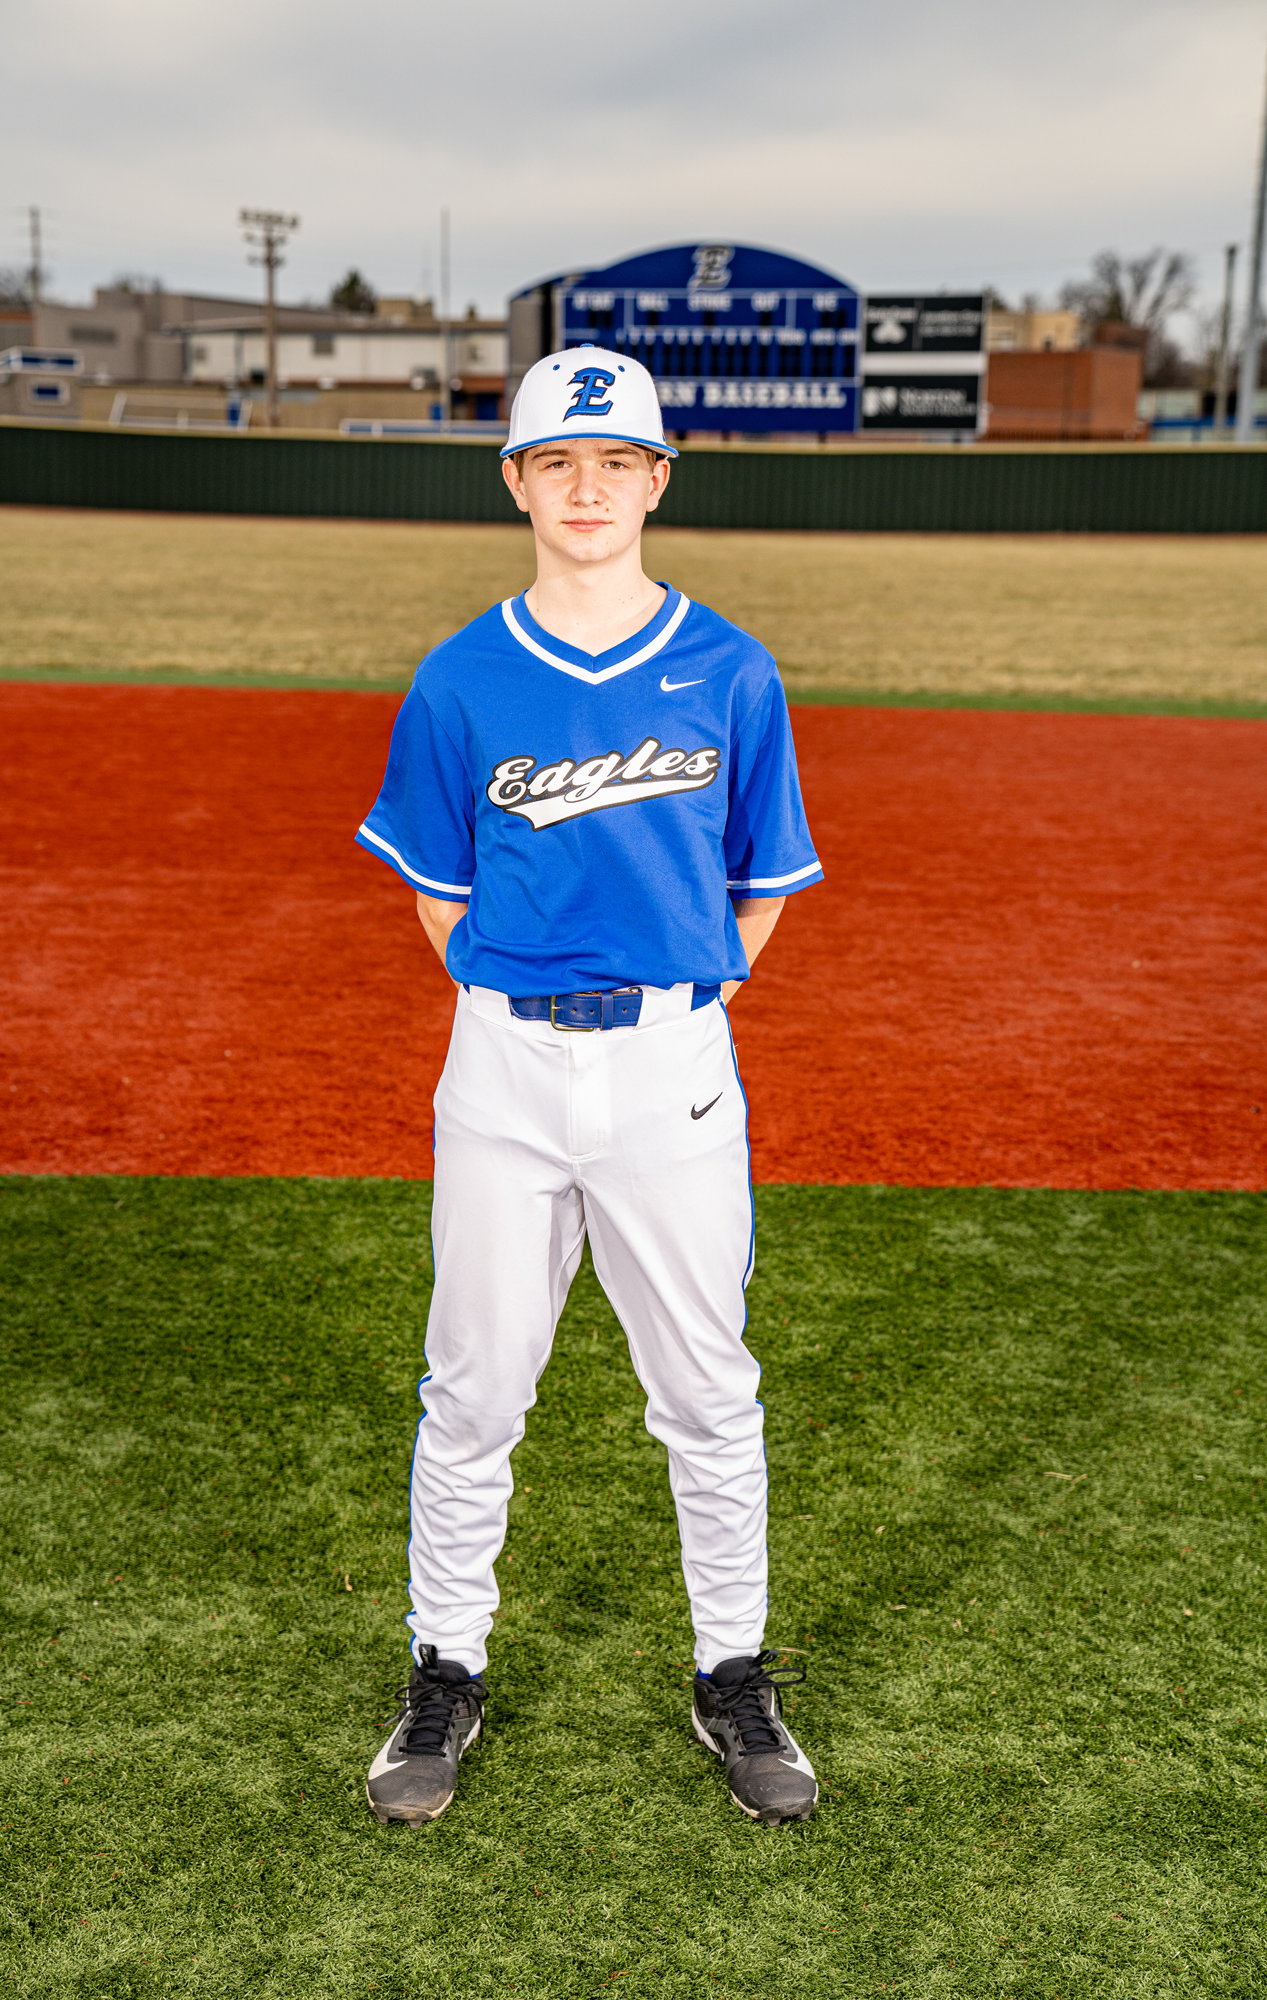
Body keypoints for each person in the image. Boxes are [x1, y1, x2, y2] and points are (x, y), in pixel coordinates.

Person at [355, 346, 823, 1828]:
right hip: (500, 1066)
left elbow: (760, 887)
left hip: (672, 1067)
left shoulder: (731, 669)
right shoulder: (462, 676)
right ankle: (445, 1669)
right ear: (516, 480)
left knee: (707, 1390)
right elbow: (438, 891)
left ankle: (731, 1672)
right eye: (557, 460)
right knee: (473, 1386)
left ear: (657, 479)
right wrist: (521, 995)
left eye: (616, 461)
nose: (587, 487)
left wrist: (669, 1004)